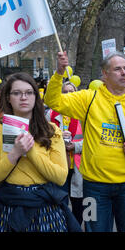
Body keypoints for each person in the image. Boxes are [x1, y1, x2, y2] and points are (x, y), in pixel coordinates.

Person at [44, 51, 125, 232]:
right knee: (94, 229)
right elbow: (52, 100)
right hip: (93, 187)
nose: (124, 72)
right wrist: (59, 73)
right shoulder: (88, 99)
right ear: (104, 74)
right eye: (117, 69)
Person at [0, 72, 81, 232]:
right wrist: (15, 153)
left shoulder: (52, 130)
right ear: (8, 97)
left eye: (28, 92)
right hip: (9, 207)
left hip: (46, 209)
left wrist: (31, 150)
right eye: (16, 93)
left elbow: (60, 177)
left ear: (36, 96)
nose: (23, 97)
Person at [46, 81, 84, 225]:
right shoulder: (51, 114)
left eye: (71, 92)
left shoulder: (83, 114)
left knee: (78, 203)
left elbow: (91, 141)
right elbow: (43, 137)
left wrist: (74, 146)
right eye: (65, 92)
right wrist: (58, 139)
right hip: (58, 164)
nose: (68, 94)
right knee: (60, 200)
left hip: (78, 166)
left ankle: (76, 226)